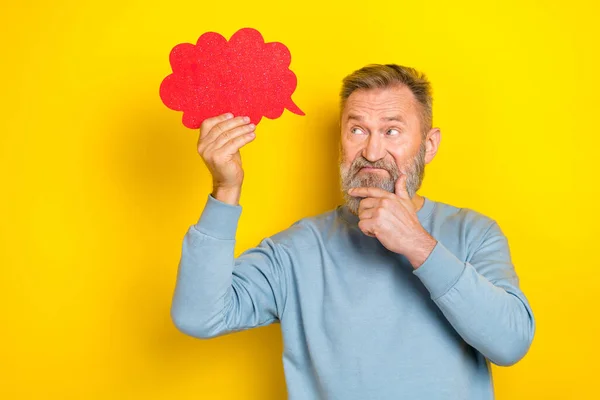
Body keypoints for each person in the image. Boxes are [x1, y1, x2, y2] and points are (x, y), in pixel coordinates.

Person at [170, 64, 536, 400]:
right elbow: (199, 316)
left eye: (391, 131)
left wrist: (417, 244)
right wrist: (225, 187)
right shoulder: (297, 250)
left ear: (429, 146)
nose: (372, 151)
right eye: (357, 130)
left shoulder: (474, 233)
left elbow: (510, 343)